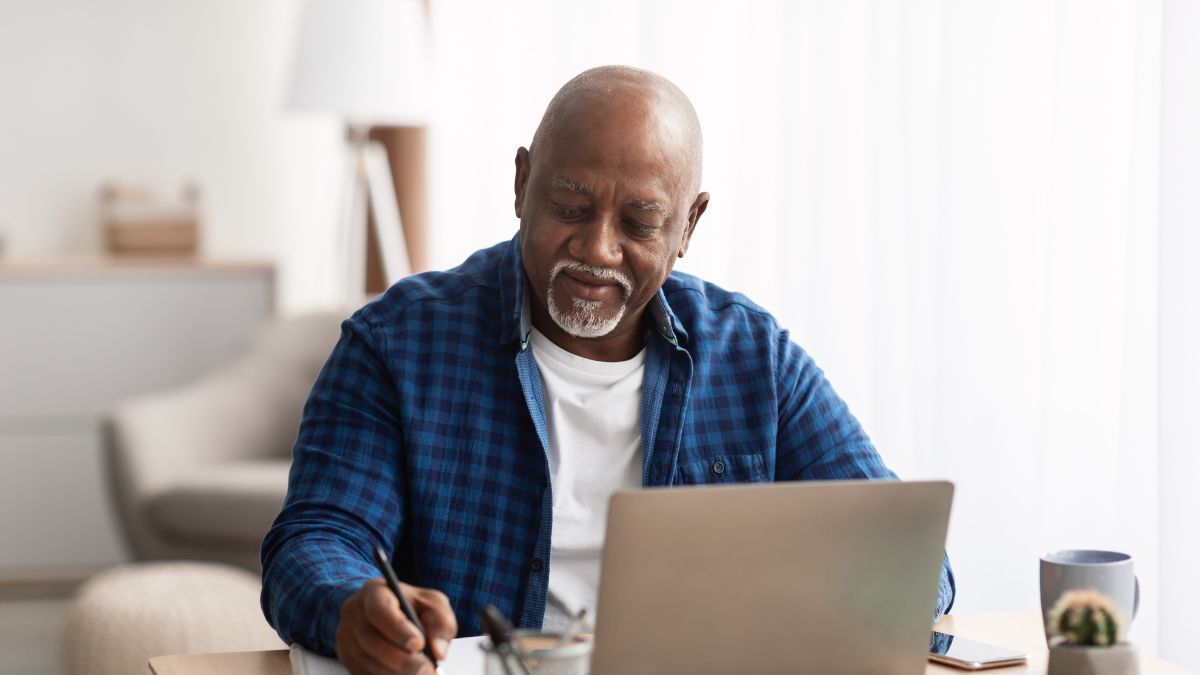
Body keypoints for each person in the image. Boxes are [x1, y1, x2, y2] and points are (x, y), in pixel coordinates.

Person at [261, 65, 955, 675]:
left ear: (688, 226)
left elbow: (913, 568)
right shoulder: (398, 342)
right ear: (522, 183)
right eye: (570, 205)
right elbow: (315, 540)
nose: (597, 247)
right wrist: (357, 605)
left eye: (640, 222)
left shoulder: (755, 358)